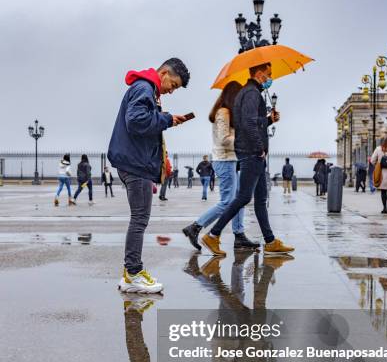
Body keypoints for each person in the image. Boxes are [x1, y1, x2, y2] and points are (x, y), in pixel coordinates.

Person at [108, 57, 190, 293]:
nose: (171, 91)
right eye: (173, 85)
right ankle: (133, 273)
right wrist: (165, 119)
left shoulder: (146, 89)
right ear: (164, 73)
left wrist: (168, 121)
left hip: (134, 162)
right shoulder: (145, 88)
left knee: (139, 218)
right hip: (135, 165)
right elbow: (135, 122)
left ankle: (130, 274)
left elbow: (142, 126)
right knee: (140, 219)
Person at [200, 62, 294, 257]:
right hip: (252, 153)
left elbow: (248, 122)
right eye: (268, 74)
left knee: (260, 199)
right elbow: (250, 123)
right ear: (259, 73)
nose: (270, 78)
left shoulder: (247, 93)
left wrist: (269, 120)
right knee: (243, 197)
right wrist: (260, 148)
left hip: (249, 151)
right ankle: (213, 235)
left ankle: (270, 241)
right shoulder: (252, 93)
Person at [182, 81, 259, 251]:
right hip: (224, 160)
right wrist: (243, 141)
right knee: (227, 202)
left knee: (238, 199)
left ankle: (239, 234)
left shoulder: (229, 113)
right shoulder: (223, 113)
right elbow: (224, 139)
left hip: (230, 160)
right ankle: (195, 227)